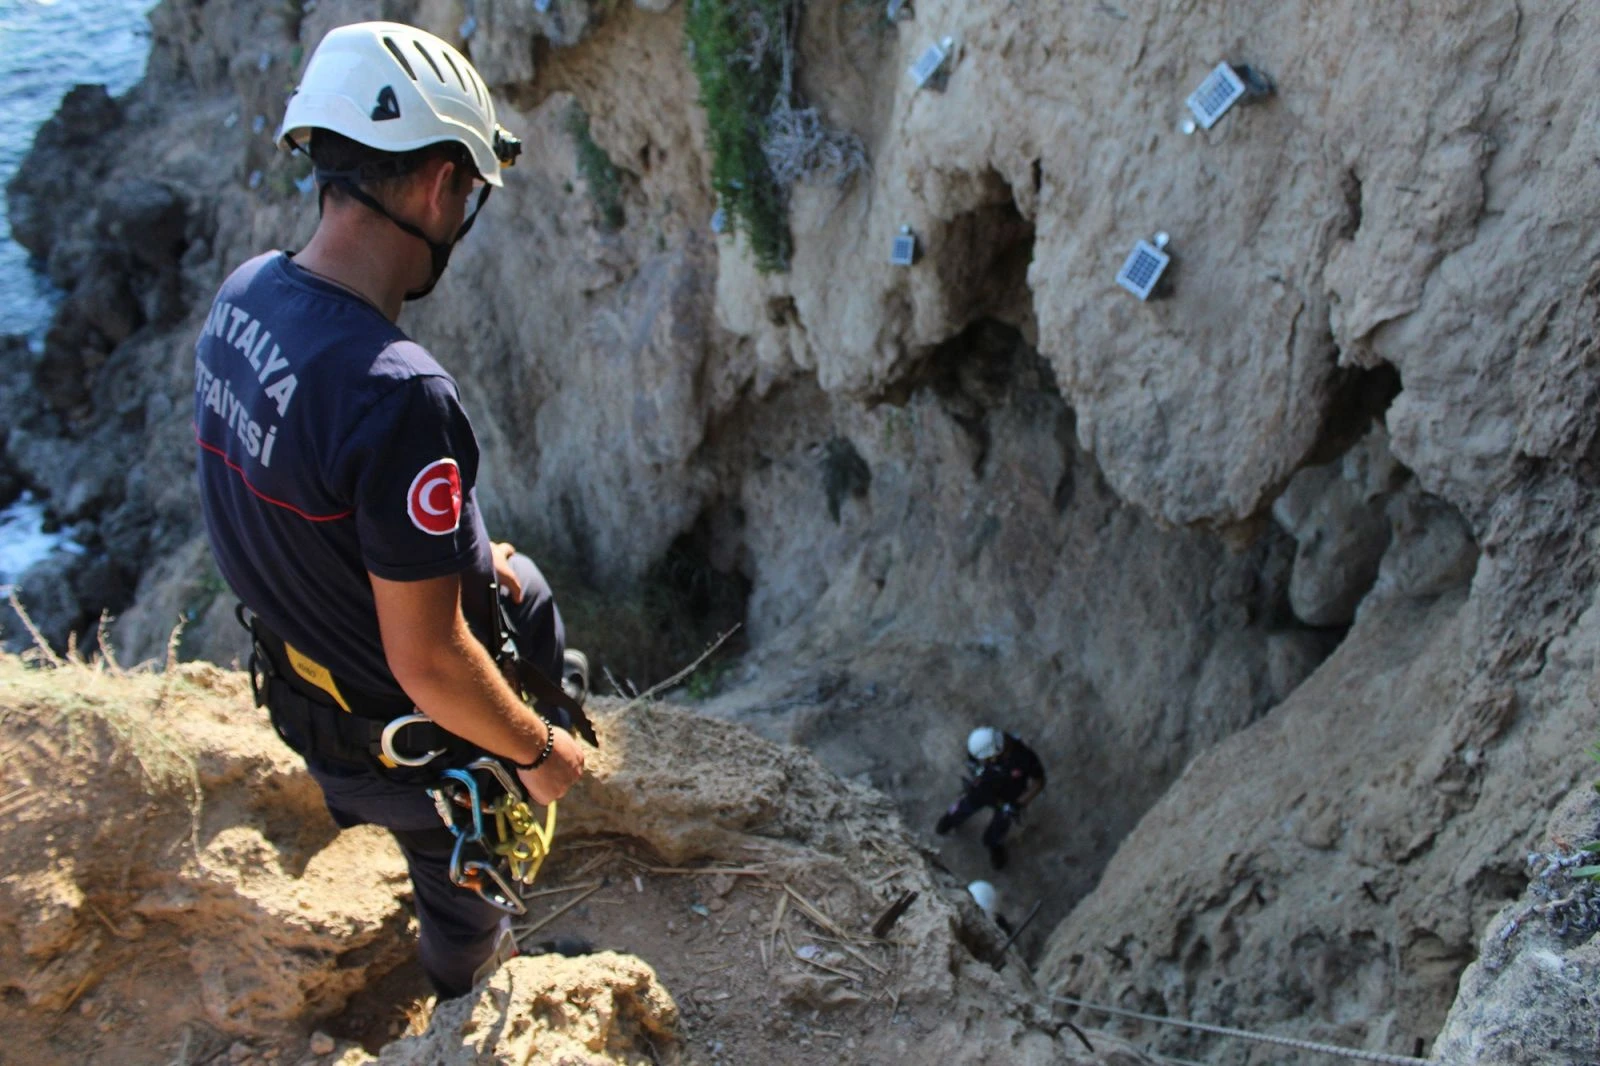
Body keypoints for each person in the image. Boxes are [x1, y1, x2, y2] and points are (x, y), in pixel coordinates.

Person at [193, 21, 587, 1000]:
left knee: (519, 582)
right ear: (440, 184)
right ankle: (464, 975)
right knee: (468, 886)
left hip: (295, 682)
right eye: (468, 197)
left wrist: (464, 560)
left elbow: (298, 491)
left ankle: (540, 726)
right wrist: (536, 755)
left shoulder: (245, 296)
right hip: (394, 740)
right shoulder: (398, 389)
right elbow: (429, 661)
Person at [935, 727, 1045, 870]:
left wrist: (1019, 804)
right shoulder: (983, 743)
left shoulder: (1025, 758)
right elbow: (972, 757)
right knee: (963, 807)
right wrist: (974, 769)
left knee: (999, 827)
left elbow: (1039, 782)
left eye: (989, 759)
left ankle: (993, 846)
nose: (987, 761)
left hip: (1009, 798)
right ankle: (948, 821)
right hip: (983, 789)